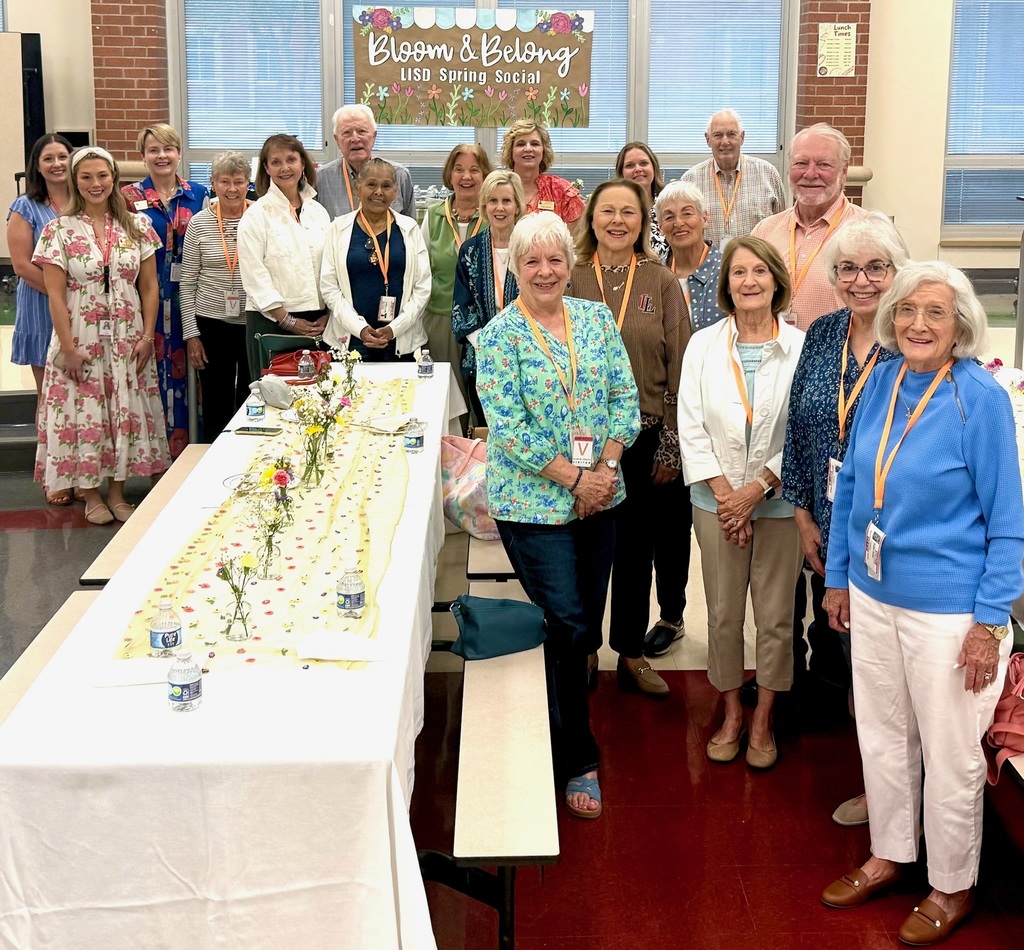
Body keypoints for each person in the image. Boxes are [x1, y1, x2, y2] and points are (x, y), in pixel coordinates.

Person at [820, 261, 1024, 947]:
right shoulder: (882, 378)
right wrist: (840, 577)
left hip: (949, 611)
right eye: (907, 310)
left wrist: (990, 623)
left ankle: (952, 883)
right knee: (881, 733)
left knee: (950, 750)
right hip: (874, 599)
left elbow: (1008, 521)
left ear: (960, 322)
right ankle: (890, 853)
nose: (917, 324)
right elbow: (850, 486)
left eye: (935, 312)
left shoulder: (980, 398)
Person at [475, 212, 640, 820]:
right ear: (514, 268)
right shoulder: (496, 338)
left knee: (579, 628)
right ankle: (577, 754)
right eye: (531, 262)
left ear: (571, 264)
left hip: (602, 492)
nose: (545, 272)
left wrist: (605, 471)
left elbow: (625, 398)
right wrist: (575, 478)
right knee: (569, 622)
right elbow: (509, 428)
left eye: (555, 260)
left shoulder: (596, 320)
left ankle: (556, 703)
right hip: (534, 504)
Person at [781, 215, 909, 828]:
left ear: (897, 274)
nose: (862, 282)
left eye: (876, 269)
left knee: (887, 671)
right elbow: (801, 433)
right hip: (826, 529)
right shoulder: (823, 332)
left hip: (888, 535)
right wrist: (803, 514)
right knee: (857, 656)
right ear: (833, 278)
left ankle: (898, 792)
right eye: (849, 269)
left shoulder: (911, 340)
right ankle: (880, 782)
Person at [678, 236, 805, 770]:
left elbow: (804, 429)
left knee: (776, 619)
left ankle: (763, 717)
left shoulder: (803, 347)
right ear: (725, 284)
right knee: (724, 615)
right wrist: (728, 498)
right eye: (737, 273)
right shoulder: (703, 344)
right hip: (714, 503)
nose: (748, 281)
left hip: (778, 508)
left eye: (759, 272)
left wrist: (755, 492)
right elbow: (689, 422)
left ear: (776, 280)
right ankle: (731, 711)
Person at [569, 179, 690, 694]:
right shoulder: (569, 276)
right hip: (579, 441)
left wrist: (672, 441)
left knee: (637, 548)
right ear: (591, 218)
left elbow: (681, 361)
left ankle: (631, 650)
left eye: (629, 213)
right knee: (586, 549)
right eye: (607, 211)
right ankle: (586, 648)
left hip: (643, 439)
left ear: (644, 224)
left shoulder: (660, 281)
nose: (618, 221)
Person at [32, 146, 170, 524]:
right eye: (87, 177)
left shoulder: (136, 226)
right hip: (79, 333)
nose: (96, 184)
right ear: (76, 181)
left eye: (102, 176)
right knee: (85, 411)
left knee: (121, 407)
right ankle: (91, 493)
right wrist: (68, 347)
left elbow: (149, 287)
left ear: (114, 178)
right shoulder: (57, 230)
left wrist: (145, 337)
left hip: (127, 332)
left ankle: (117, 491)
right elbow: (56, 295)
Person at [121, 124, 208, 458]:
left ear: (179, 153)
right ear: (143, 156)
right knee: (150, 378)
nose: (162, 156)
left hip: (190, 299)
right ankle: (153, 461)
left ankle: (190, 457)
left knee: (191, 379)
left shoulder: (199, 195)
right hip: (146, 301)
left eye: (168, 149)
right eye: (153, 150)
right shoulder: (128, 198)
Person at [751, 123, 870, 331]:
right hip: (773, 356)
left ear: (844, 171)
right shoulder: (764, 232)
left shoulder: (871, 233)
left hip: (838, 358)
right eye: (801, 163)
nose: (810, 173)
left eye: (824, 165)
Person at [7, 133, 73, 503]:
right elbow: (21, 265)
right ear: (37, 165)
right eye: (48, 158)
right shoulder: (26, 206)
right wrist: (65, 295)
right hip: (41, 309)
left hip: (82, 315)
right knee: (50, 397)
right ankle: (55, 477)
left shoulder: (85, 203)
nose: (57, 164)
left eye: (63, 156)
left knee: (82, 397)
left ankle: (83, 472)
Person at [237, 134, 332, 379]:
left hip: (318, 322)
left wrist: (328, 313)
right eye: (276, 162)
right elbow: (254, 275)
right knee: (276, 404)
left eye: (291, 159)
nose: (285, 167)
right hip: (272, 323)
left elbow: (331, 266)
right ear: (266, 168)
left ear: (303, 164)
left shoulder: (318, 212)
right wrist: (287, 320)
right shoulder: (256, 215)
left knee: (320, 401)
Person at [321, 158, 430, 362]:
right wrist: (359, 328)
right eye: (371, 184)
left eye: (386, 186)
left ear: (395, 192)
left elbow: (422, 287)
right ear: (357, 188)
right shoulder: (337, 228)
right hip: (350, 339)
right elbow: (329, 287)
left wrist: (394, 328)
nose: (379, 191)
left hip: (401, 340)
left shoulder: (410, 229)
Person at [180, 152, 252, 440]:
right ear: (212, 184)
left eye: (239, 181)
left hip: (253, 321)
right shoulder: (199, 224)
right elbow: (187, 283)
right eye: (224, 182)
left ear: (249, 183)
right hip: (211, 323)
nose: (232, 189)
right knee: (215, 401)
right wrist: (191, 334)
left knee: (252, 398)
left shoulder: (261, 217)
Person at [451, 169, 525, 424]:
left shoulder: (531, 248)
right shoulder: (470, 250)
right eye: (493, 201)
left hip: (527, 356)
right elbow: (462, 307)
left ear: (517, 206)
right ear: (484, 206)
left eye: (506, 200)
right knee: (487, 428)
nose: (500, 208)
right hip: (482, 356)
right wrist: (491, 346)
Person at [420, 144, 493, 398]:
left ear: (485, 175)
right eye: (459, 169)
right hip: (440, 318)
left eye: (475, 170)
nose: (466, 177)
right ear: (450, 175)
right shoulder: (433, 216)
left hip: (484, 321)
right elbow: (422, 272)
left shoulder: (493, 215)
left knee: (479, 396)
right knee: (443, 393)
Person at [681, 109, 785, 246]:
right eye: (718, 135)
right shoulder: (690, 181)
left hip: (756, 264)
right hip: (707, 266)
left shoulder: (768, 173)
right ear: (707, 139)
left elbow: (783, 228)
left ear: (742, 137)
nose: (725, 142)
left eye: (731, 134)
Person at [316, 104, 415, 219]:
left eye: (361, 131)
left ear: (374, 137)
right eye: (347, 133)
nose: (355, 139)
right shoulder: (320, 179)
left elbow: (410, 230)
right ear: (337, 140)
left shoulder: (399, 175)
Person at [656, 180, 728, 332]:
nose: (679, 223)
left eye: (687, 213)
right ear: (661, 226)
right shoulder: (654, 275)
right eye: (669, 217)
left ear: (705, 219)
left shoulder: (728, 270)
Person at [501, 120, 584, 224]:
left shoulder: (561, 190)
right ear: (511, 151)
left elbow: (576, 237)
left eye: (534, 144)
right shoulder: (499, 188)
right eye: (521, 144)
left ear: (543, 151)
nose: (528, 149)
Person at [615, 141, 668, 259]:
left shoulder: (669, 204)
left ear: (654, 168)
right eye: (630, 165)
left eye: (644, 163)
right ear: (621, 173)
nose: (638, 169)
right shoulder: (613, 211)